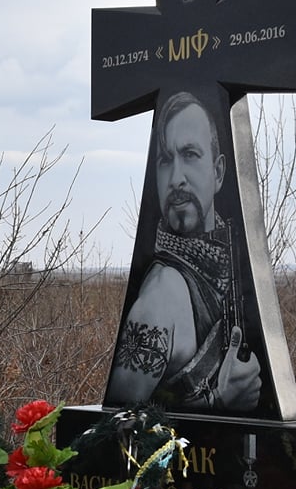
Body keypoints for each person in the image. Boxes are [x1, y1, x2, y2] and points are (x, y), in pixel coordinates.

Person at [107, 90, 262, 412]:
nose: (176, 178)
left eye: (190, 154)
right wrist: (219, 402)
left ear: (218, 172)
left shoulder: (225, 264)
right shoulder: (161, 300)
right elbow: (115, 432)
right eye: (165, 160)